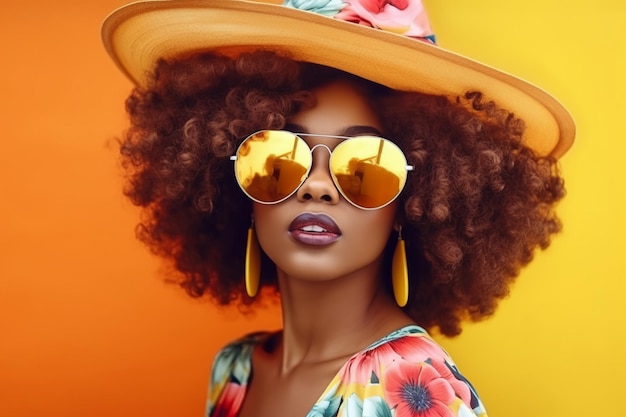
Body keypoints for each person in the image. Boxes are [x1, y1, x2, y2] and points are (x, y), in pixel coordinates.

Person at [101, 1, 575, 416]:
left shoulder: (414, 390)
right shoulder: (236, 370)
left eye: (366, 167)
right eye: (279, 159)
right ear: (237, 188)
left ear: (414, 204)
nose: (318, 187)